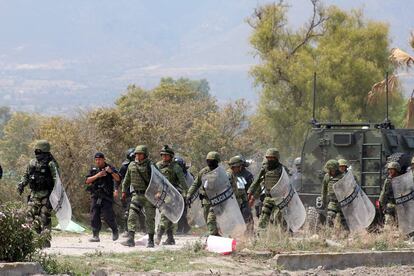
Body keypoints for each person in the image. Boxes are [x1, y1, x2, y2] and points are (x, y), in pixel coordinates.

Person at [17, 140, 59, 246]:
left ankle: (45, 240)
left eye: (39, 151)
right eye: (36, 151)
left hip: (47, 195)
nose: (36, 153)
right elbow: (26, 175)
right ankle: (36, 237)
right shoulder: (32, 162)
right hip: (34, 195)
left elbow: (57, 180)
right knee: (29, 215)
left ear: (44, 151)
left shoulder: (51, 164)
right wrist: (21, 184)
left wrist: (55, 197)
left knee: (44, 217)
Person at [121, 145, 157, 248]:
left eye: (140, 154)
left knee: (150, 218)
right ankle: (131, 239)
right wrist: (123, 191)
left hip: (148, 195)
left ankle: (150, 240)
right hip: (136, 195)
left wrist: (157, 192)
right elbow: (126, 180)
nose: (138, 156)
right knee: (131, 216)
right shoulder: (131, 165)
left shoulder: (151, 165)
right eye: (136, 154)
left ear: (145, 154)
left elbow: (158, 179)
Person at [247, 148, 288, 231]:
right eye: (268, 158)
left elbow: (287, 183)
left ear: (276, 158)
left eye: (271, 158)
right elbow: (257, 181)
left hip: (279, 199)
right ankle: (260, 235)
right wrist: (250, 192)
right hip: (268, 198)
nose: (269, 160)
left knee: (278, 217)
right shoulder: (265, 168)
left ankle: (285, 233)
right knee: (263, 218)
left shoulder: (282, 169)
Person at [155, 145, 188, 245]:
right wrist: (156, 191)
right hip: (161, 194)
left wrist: (186, 195)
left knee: (165, 214)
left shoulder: (176, 167)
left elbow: (183, 182)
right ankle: (170, 238)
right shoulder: (158, 165)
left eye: (166, 155)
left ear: (171, 156)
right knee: (167, 216)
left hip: (172, 194)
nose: (164, 157)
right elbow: (155, 180)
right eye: (163, 155)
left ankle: (159, 236)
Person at [85, 152, 120, 242]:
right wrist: (98, 175)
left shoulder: (110, 167)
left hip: (106, 196)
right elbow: (87, 181)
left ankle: (115, 230)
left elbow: (118, 179)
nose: (98, 161)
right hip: (95, 195)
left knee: (108, 215)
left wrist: (111, 172)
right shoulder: (93, 169)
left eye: (100, 159)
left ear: (104, 159)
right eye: (96, 160)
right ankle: (95, 235)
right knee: (94, 215)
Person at [186, 151, 221, 236]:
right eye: (209, 160)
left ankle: (213, 235)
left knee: (212, 219)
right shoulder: (203, 172)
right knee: (207, 219)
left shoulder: (220, 172)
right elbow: (196, 184)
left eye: (212, 161)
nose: (210, 163)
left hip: (217, 200)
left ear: (217, 161)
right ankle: (214, 236)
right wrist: (189, 194)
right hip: (206, 200)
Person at [119, 148, 146, 236]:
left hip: (139, 192)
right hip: (128, 193)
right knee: (128, 212)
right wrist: (118, 190)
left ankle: (143, 229)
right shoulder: (125, 166)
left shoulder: (145, 165)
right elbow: (120, 179)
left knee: (141, 211)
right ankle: (127, 231)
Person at [227, 156, 254, 234]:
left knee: (248, 218)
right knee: (230, 220)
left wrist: (251, 199)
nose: (232, 169)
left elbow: (252, 189)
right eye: (231, 167)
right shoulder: (229, 174)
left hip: (244, 201)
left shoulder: (248, 175)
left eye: (234, 167)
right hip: (232, 201)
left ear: (240, 166)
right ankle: (229, 235)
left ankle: (250, 234)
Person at [320, 159, 346, 228]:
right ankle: (329, 233)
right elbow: (324, 189)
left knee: (344, 220)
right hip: (333, 202)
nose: (332, 171)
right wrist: (323, 200)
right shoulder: (327, 176)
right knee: (330, 216)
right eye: (330, 170)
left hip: (343, 202)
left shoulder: (342, 176)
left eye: (333, 170)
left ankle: (346, 234)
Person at [379, 161, 401, 226]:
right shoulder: (388, 180)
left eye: (392, 169)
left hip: (401, 206)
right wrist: (381, 203)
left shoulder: (402, 179)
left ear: (397, 170)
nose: (390, 171)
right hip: (390, 205)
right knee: (388, 226)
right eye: (389, 169)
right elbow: (383, 192)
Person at [174, 156, 192, 234]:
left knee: (181, 212)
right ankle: (186, 227)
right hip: (176, 194)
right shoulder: (174, 173)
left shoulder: (187, 175)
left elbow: (188, 186)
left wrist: (187, 196)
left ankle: (180, 229)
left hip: (184, 195)